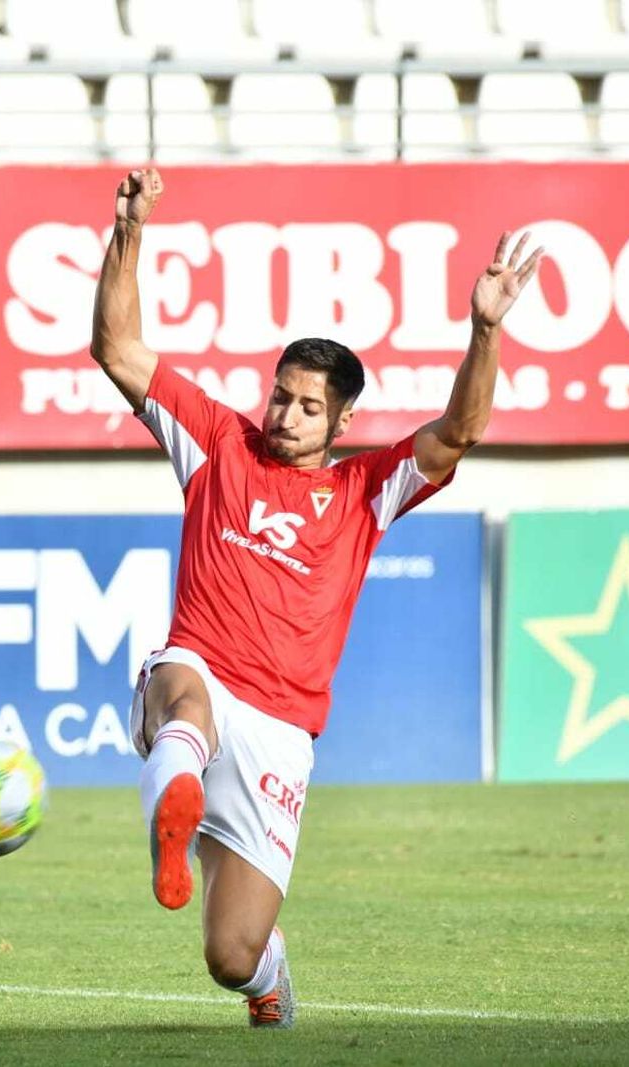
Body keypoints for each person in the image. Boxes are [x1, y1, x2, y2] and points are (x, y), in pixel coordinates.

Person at [91, 169, 541, 1028]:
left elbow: (462, 432)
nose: (286, 415)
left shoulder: (368, 488)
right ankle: (174, 811)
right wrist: (129, 229)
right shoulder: (218, 441)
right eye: (280, 395)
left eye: (307, 407)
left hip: (281, 730)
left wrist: (483, 331)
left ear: (339, 424)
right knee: (178, 689)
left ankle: (267, 972)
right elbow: (117, 347)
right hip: (201, 673)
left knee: (229, 955)